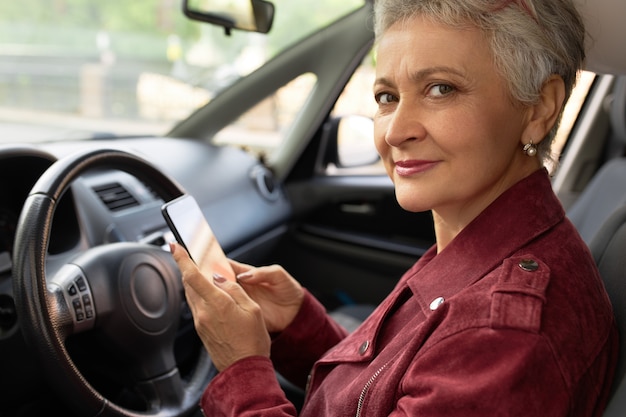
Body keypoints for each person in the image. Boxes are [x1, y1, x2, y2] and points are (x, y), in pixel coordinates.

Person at [170, 0, 619, 415]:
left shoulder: (502, 336)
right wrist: (299, 327)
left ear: (539, 107)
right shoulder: (483, 244)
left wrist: (241, 369)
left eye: (441, 88)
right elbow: (395, 385)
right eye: (387, 97)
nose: (395, 131)